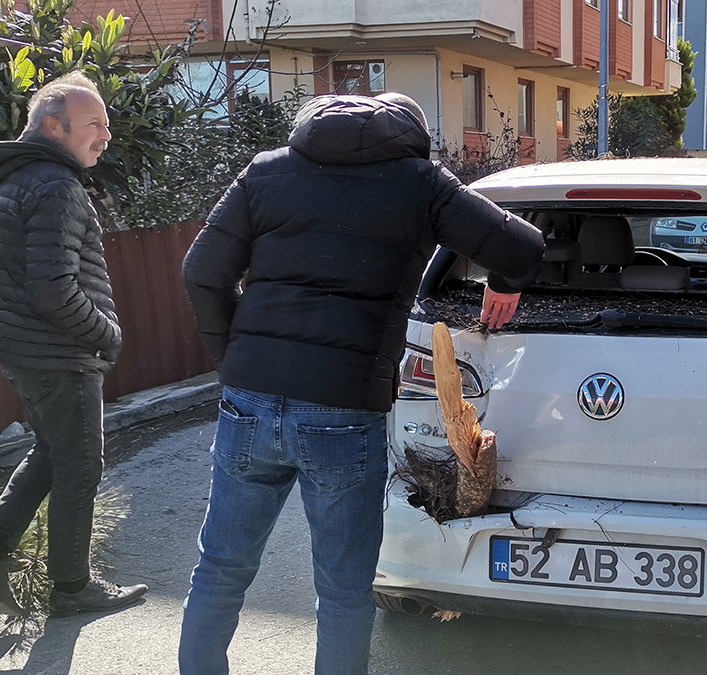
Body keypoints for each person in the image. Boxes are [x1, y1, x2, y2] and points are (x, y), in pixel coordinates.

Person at [178, 92, 545, 675]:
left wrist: (235, 363)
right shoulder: (420, 182)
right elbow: (522, 246)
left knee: (220, 568)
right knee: (343, 591)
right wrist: (503, 281)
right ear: (412, 134)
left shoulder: (268, 170)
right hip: (344, 409)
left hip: (248, 402)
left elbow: (201, 272)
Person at [0, 72, 149, 617]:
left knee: (52, 453)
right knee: (80, 467)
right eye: (94, 124)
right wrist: (107, 335)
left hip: (26, 353)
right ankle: (71, 588)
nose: (105, 135)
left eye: (107, 124)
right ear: (54, 126)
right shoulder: (56, 187)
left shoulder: (14, 179)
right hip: (59, 356)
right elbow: (53, 288)